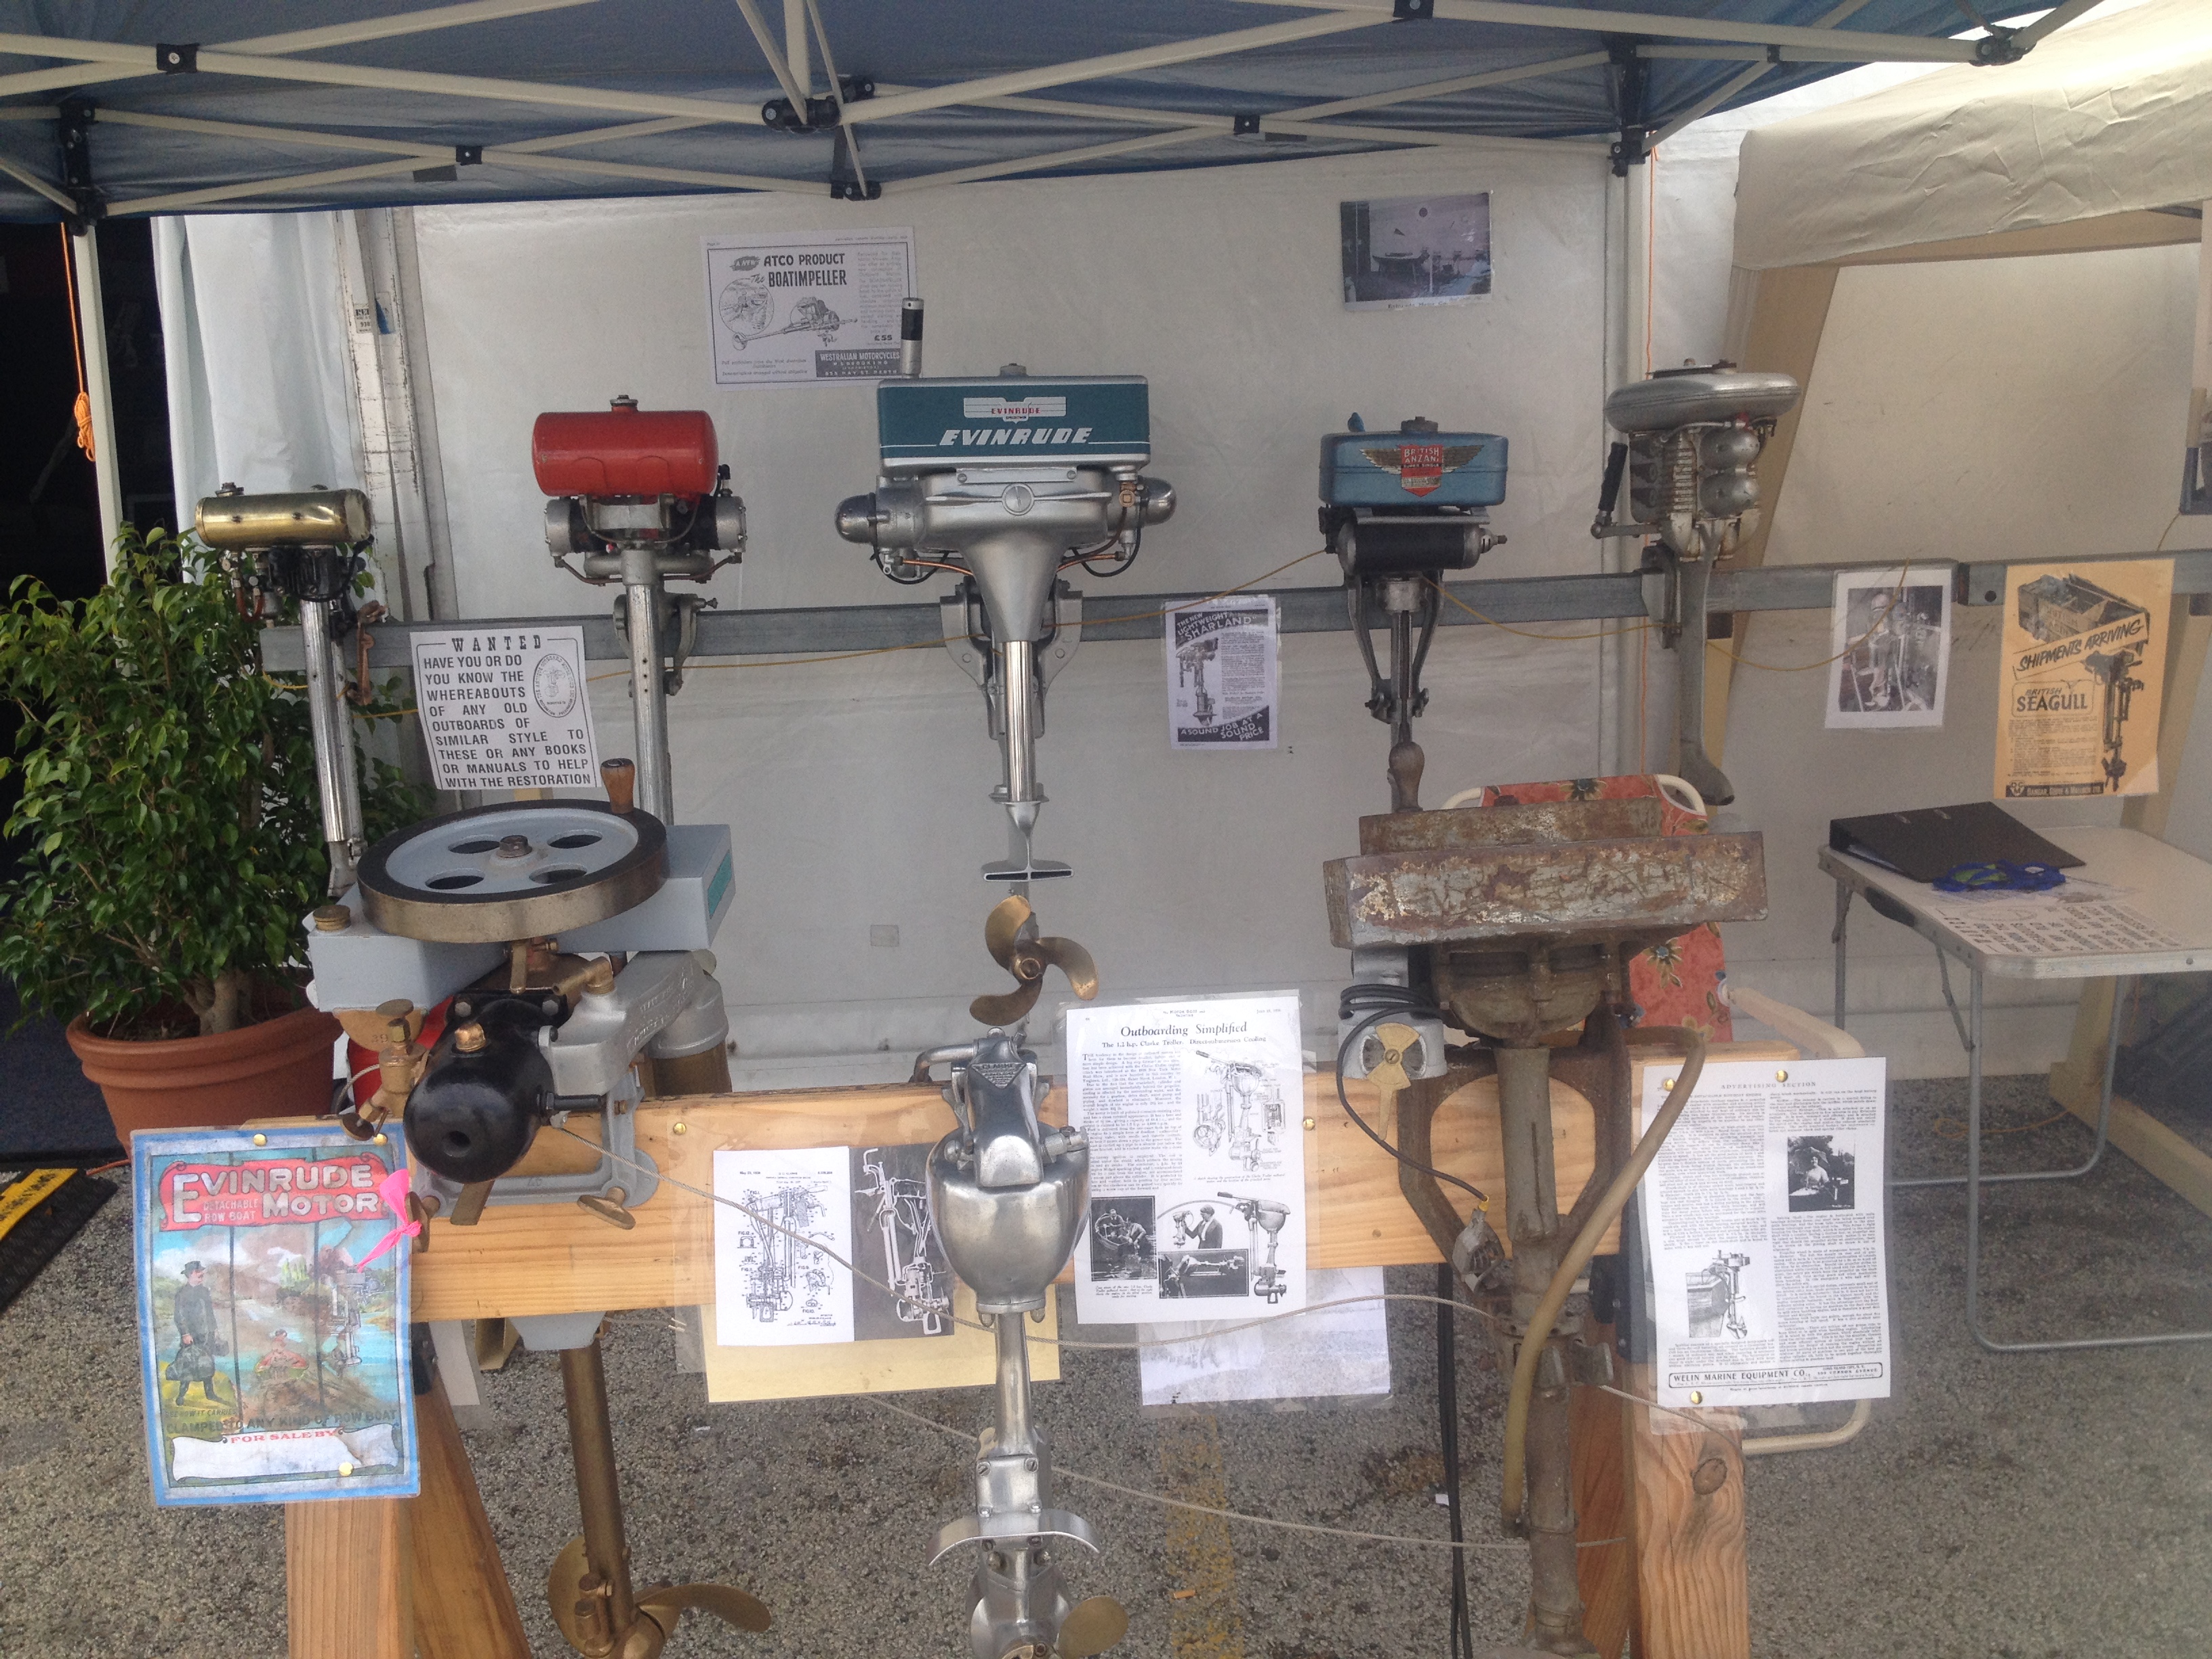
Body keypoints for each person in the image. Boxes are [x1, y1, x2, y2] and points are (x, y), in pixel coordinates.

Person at [169, 1261, 222, 1404]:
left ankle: (210, 1394)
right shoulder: (182, 1293)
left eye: (202, 1272)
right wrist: (185, 1334)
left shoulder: (205, 1291)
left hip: (207, 1335)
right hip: (192, 1336)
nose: (201, 1275)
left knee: (207, 1364)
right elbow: (179, 1316)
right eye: (198, 1272)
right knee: (188, 1364)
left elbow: (210, 1312)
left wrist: (215, 1329)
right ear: (190, 1274)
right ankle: (181, 1395)